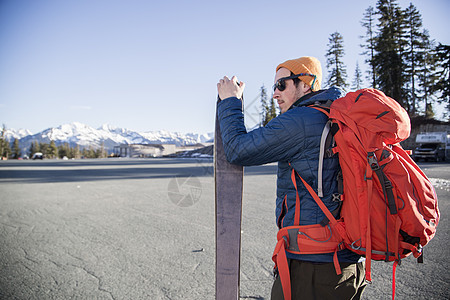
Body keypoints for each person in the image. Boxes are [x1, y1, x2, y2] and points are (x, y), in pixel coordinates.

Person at [216, 56, 366, 300]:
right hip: (346, 264)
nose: (275, 93)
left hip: (313, 268)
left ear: (306, 84)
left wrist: (230, 101)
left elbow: (237, 149)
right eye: (274, 86)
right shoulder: (331, 116)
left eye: (282, 84)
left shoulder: (302, 121)